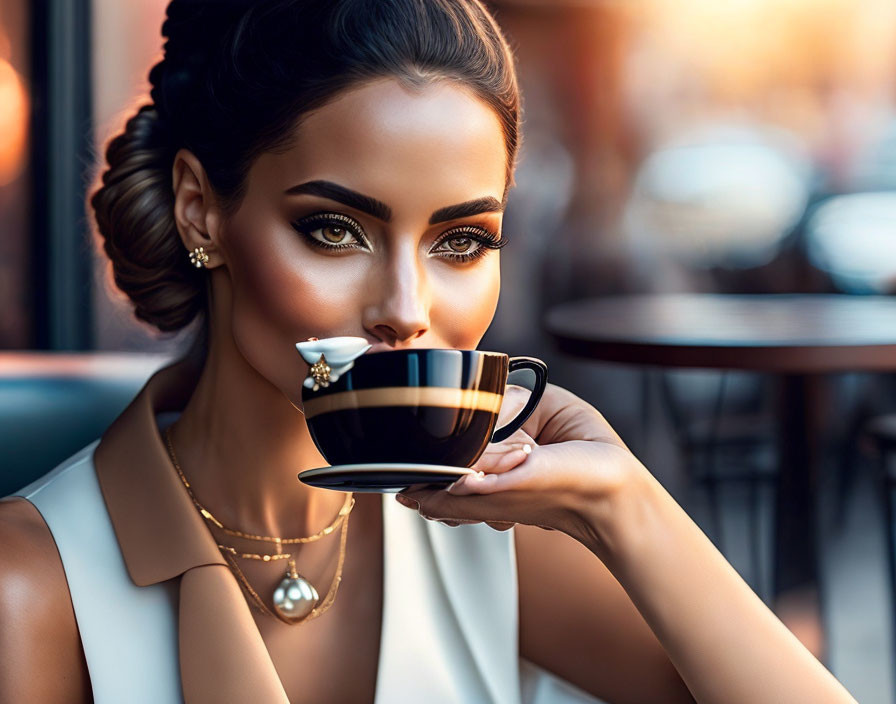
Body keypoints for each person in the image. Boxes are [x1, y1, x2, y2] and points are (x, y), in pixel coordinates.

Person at [0, 1, 857, 702]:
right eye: (334, 230)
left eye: (460, 242)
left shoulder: (496, 531)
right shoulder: (31, 588)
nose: (404, 312)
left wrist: (626, 506)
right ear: (200, 212)